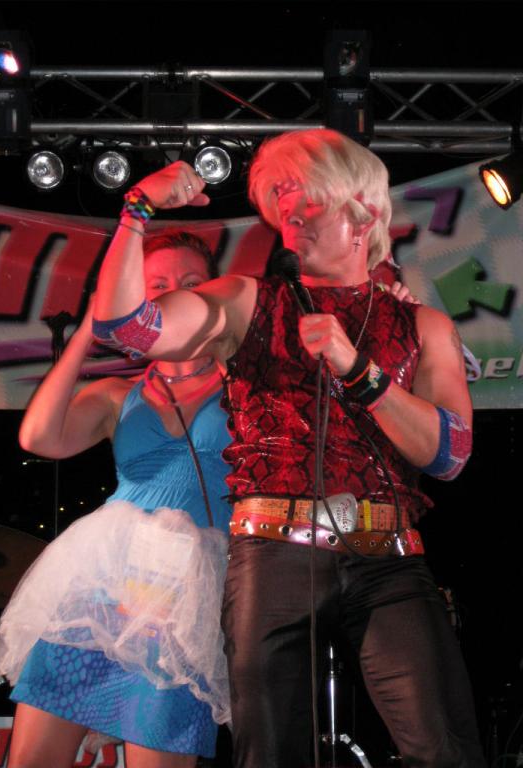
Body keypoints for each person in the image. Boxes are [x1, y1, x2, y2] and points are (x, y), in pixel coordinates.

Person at [92, 128, 486, 768]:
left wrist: (359, 372)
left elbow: (450, 454)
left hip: (386, 556)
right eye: (279, 201)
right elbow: (128, 328)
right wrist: (137, 209)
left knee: (445, 745)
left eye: (304, 195)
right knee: (270, 751)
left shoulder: (421, 324)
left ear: (363, 210)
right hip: (272, 554)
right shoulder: (247, 299)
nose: (289, 212)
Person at [0, 229, 233, 768]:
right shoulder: (118, 396)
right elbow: (38, 437)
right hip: (98, 595)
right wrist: (88, 333)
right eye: (158, 285)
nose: (176, 292)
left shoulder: (247, 390)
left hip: (182, 605)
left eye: (192, 282)